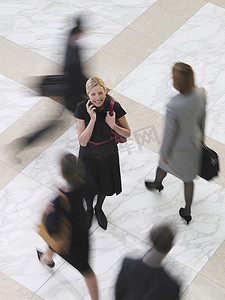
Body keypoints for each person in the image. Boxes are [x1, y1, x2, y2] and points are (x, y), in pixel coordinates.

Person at [145, 62, 206, 224]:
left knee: (163, 165)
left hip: (177, 149)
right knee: (188, 179)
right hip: (194, 143)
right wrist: (202, 138)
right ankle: (187, 211)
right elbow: (202, 117)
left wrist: (164, 154)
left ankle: (158, 183)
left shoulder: (174, 105)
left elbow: (169, 134)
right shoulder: (201, 93)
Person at [37, 153, 99, 300]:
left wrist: (49, 211)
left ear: (63, 173)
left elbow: (53, 230)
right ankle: (47, 259)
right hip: (81, 231)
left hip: (70, 241)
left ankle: (47, 259)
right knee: (85, 268)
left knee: (86, 270)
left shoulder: (60, 199)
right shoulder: (86, 180)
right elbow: (92, 190)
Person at [74, 77, 131, 230]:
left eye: (100, 93)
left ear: (105, 91)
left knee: (105, 184)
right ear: (88, 95)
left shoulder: (114, 106)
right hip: (88, 154)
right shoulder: (81, 108)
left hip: (108, 152)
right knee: (87, 185)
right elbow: (82, 141)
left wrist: (113, 125)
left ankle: (98, 208)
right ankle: (89, 209)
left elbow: (127, 133)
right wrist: (92, 120)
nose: (97, 98)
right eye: (93, 94)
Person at [115, 223, 180, 300]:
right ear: (170, 247)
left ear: (150, 239)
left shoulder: (127, 264)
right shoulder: (172, 286)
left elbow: (118, 293)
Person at [63, 15, 88, 113]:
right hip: (73, 88)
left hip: (72, 87)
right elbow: (75, 71)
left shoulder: (70, 43)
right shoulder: (73, 48)